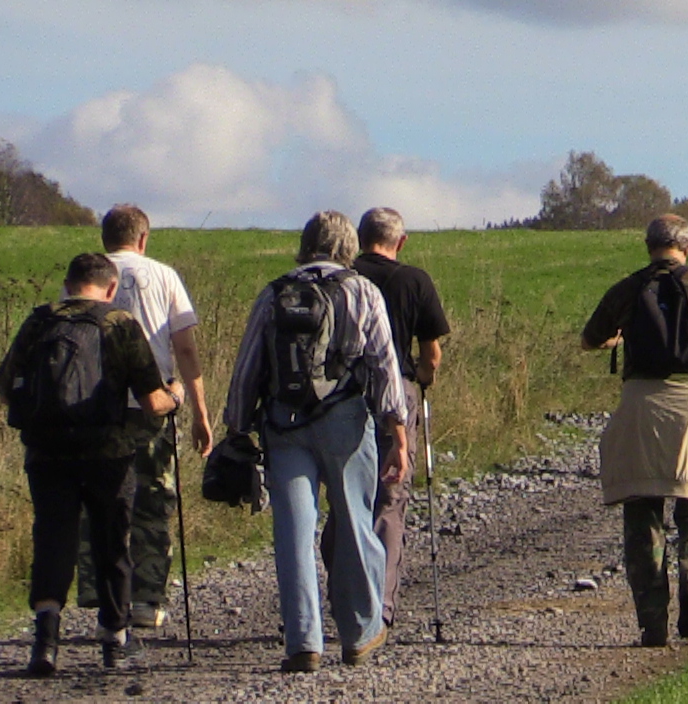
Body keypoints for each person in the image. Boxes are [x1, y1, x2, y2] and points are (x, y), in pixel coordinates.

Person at [222, 211, 410, 673]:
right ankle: (361, 632)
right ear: (348, 246)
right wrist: (398, 432)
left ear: (305, 244)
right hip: (345, 421)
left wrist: (236, 427)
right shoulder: (361, 290)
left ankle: (304, 642)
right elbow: (384, 363)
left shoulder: (274, 293)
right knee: (353, 524)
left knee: (293, 532)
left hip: (283, 424)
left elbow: (248, 365)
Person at [0, 253, 181, 676]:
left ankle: (45, 641)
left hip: (47, 452)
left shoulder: (40, 320)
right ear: (111, 287)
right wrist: (177, 395)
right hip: (107, 452)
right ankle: (115, 638)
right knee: (112, 541)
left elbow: (6, 386)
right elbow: (153, 402)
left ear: (68, 283)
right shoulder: (119, 323)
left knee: (52, 538)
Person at [581, 214, 688, 647]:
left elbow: (589, 339)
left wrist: (616, 339)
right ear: (687, 247)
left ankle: (652, 623)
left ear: (648, 246)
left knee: (641, 510)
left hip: (641, 406)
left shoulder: (627, 288)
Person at [73, 204, 211, 630]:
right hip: (151, 404)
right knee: (152, 502)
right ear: (143, 238)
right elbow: (184, 348)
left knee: (97, 501)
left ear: (104, 237)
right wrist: (199, 411)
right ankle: (147, 601)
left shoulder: (85, 278)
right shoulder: (163, 276)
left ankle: (101, 595)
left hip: (94, 410)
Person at [341, 206, 450, 626]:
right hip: (397, 396)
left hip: (346, 395)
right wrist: (424, 377)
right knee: (391, 495)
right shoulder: (414, 280)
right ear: (400, 242)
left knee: (349, 494)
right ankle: (378, 606)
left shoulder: (344, 278)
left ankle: (343, 592)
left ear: (358, 237)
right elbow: (431, 353)